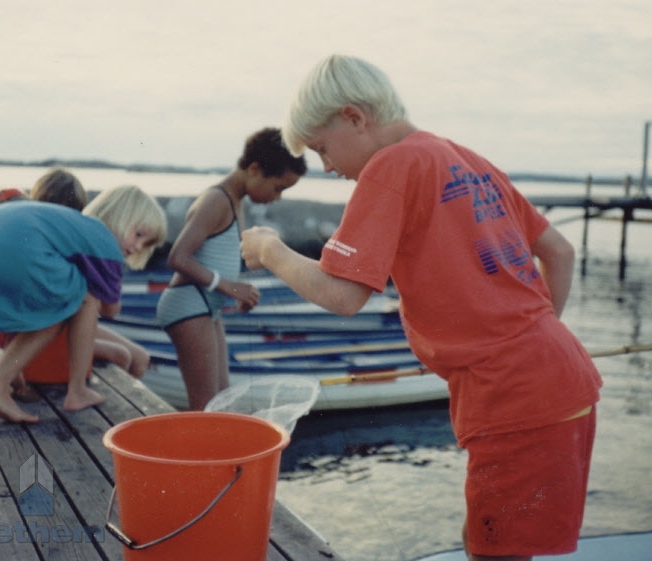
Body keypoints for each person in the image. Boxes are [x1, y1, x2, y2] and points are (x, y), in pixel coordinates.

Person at [239, 55, 602, 561]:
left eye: (322, 148)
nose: (327, 167)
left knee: (494, 552)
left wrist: (269, 250)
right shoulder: (467, 159)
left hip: (512, 395)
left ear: (354, 117)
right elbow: (559, 252)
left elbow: (343, 295)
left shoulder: (391, 166)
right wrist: (531, 342)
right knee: (488, 540)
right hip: (561, 375)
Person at [0, 185, 166, 423]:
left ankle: (4, 378)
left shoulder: (73, 227)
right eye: (138, 234)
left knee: (53, 298)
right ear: (119, 217)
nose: (138, 247)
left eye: (146, 244)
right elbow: (110, 309)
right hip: (9, 252)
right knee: (75, 298)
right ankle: (73, 390)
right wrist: (103, 285)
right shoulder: (104, 241)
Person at [157, 127, 307, 410]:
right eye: (278, 188)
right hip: (189, 303)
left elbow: (214, 256)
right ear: (255, 169)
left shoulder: (233, 199)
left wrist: (237, 292)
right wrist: (228, 287)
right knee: (206, 405)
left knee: (222, 399)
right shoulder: (216, 200)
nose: (277, 198)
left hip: (205, 305)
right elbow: (178, 257)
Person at [30, 168, 151, 378]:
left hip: (65, 324)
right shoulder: (46, 241)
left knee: (141, 357)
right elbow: (110, 309)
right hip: (40, 329)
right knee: (121, 355)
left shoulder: (76, 240)